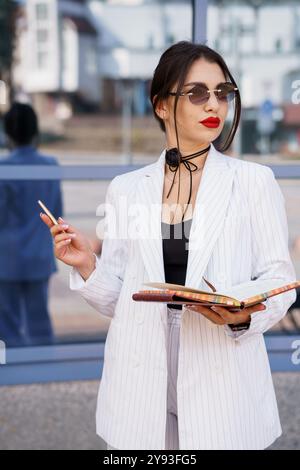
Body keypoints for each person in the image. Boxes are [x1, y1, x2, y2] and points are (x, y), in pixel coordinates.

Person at [41, 42, 296, 450]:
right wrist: (88, 266)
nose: (213, 104)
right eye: (197, 93)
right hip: (141, 368)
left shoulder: (254, 182)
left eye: (222, 92)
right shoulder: (126, 189)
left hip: (220, 362)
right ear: (162, 105)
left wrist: (240, 319)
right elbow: (122, 302)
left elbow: (280, 278)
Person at [0, 102, 63, 346]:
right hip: (38, 255)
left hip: (6, 257)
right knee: (39, 321)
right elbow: (56, 211)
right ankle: (45, 370)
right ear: (35, 131)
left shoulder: (3, 168)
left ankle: (16, 374)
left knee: (8, 325)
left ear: (7, 133)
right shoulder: (50, 165)